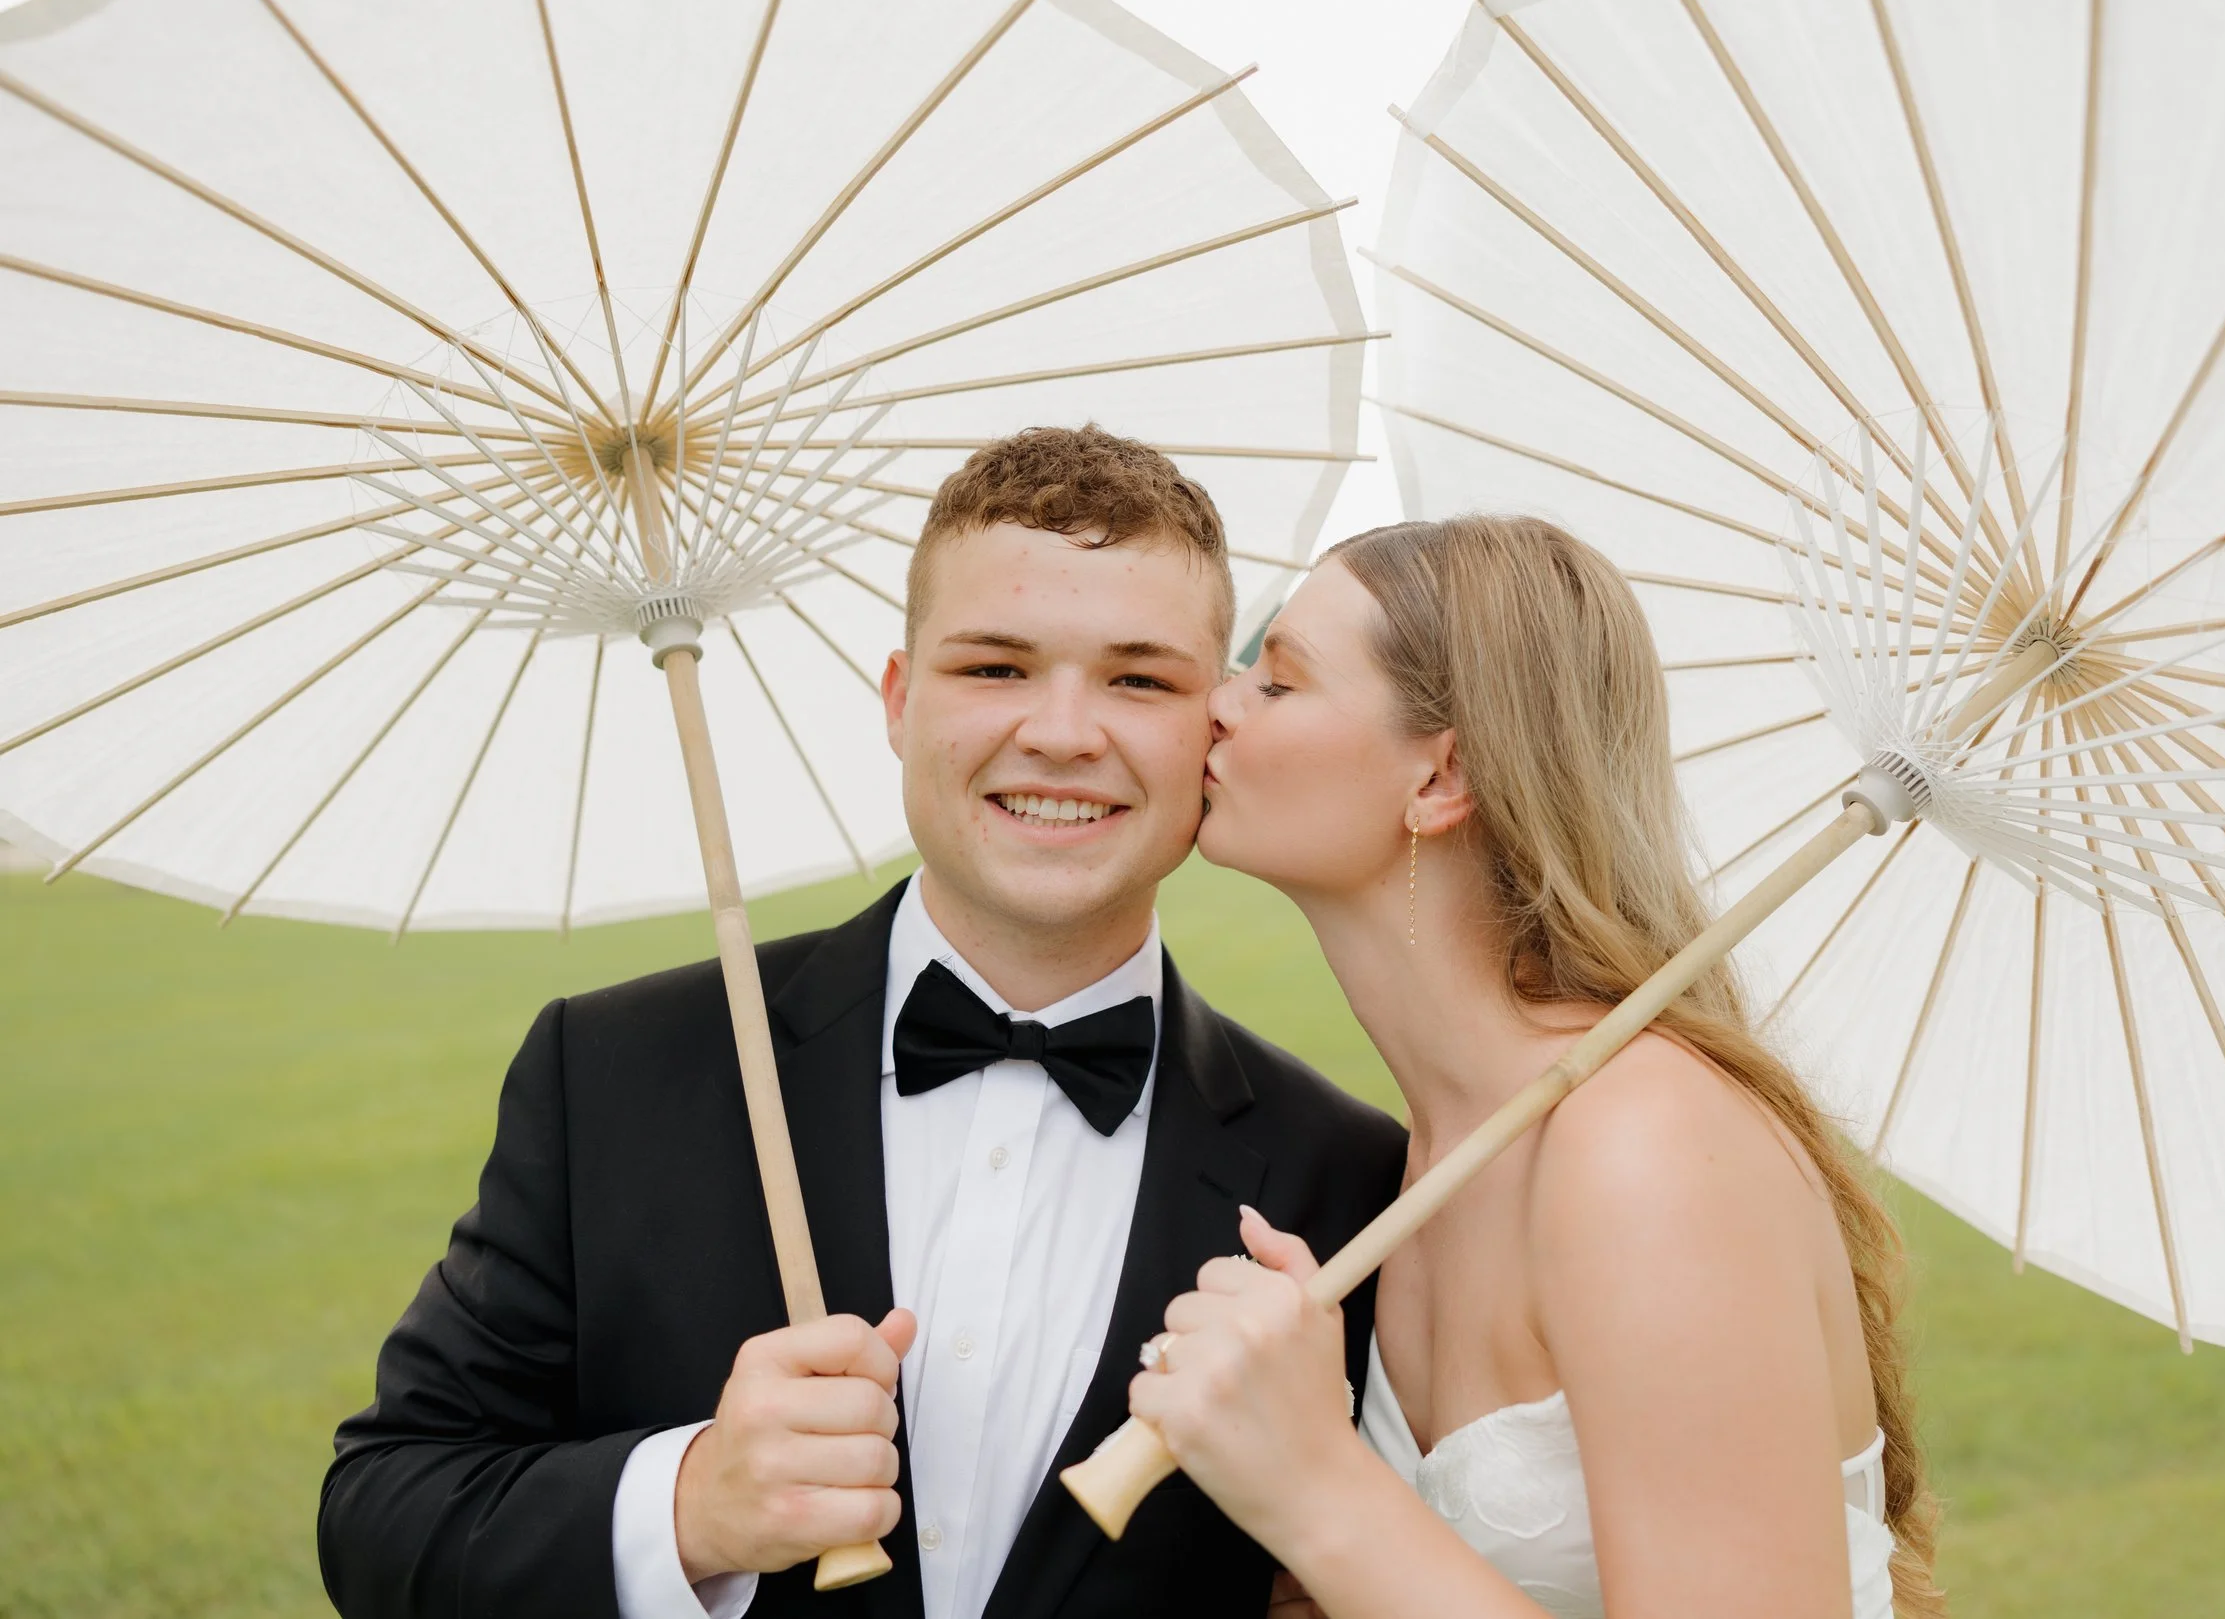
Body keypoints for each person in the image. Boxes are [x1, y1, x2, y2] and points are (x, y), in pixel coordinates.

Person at [317, 426, 1408, 1619]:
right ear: (899, 701)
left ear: (1213, 728)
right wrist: (689, 1505)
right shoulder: (617, 1073)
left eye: (1138, 678)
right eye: (994, 667)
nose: (1059, 730)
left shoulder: (1347, 1180)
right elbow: (386, 1512)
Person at [1124, 516, 1946, 1619]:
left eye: (1277, 678)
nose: (1214, 702)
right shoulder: (1425, 1154)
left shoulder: (1643, 1144)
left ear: (1439, 776)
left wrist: (1316, 1487)